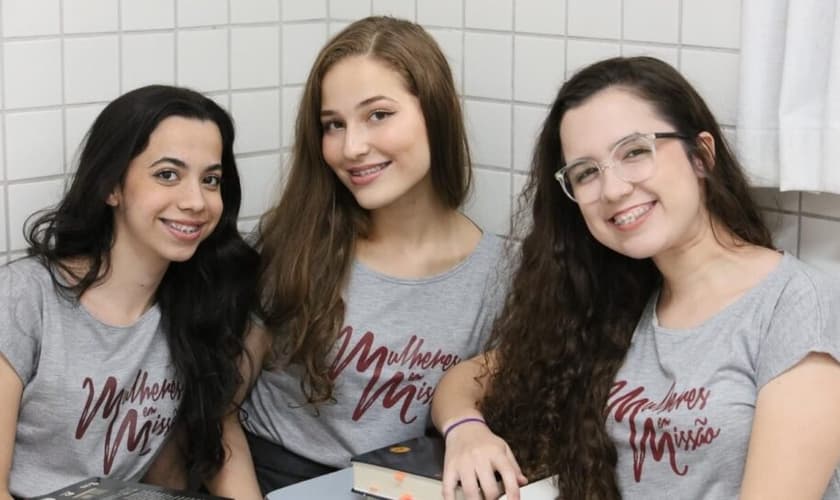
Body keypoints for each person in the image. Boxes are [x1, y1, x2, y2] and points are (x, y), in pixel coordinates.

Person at [431, 56, 840, 500]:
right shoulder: (616, 299)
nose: (612, 189)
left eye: (634, 152)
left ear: (701, 155)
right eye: (586, 172)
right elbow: (464, 380)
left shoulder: (798, 305)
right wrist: (466, 431)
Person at [210, 15, 509, 497]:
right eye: (333, 124)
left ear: (436, 111)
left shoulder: (500, 272)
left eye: (378, 115)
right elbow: (218, 412)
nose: (352, 147)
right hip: (271, 483)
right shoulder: (292, 243)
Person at [0, 85, 259, 499]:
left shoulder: (199, 300)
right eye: (167, 175)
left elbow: (215, 430)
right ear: (112, 187)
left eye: (210, 180)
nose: (196, 201)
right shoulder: (24, 298)